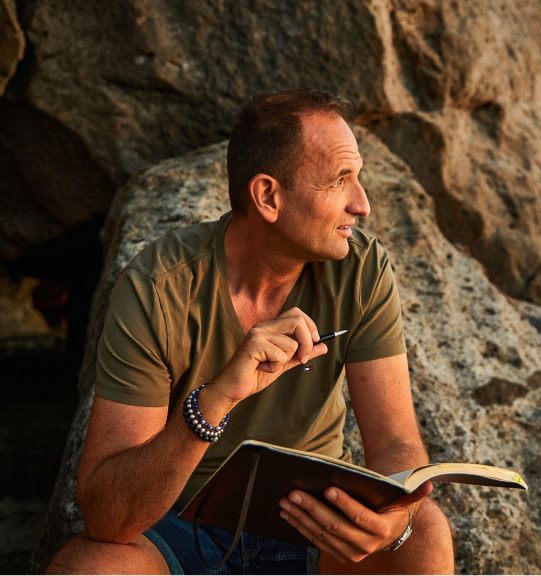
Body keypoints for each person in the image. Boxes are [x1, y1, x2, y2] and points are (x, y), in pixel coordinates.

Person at [46, 89, 455, 574]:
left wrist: (396, 517)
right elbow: (108, 517)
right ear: (268, 196)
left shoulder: (361, 270)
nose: (362, 204)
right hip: (177, 530)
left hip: (314, 527)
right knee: (89, 567)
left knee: (424, 535)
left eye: (357, 178)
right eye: (340, 180)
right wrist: (217, 398)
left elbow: (395, 444)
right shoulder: (159, 287)